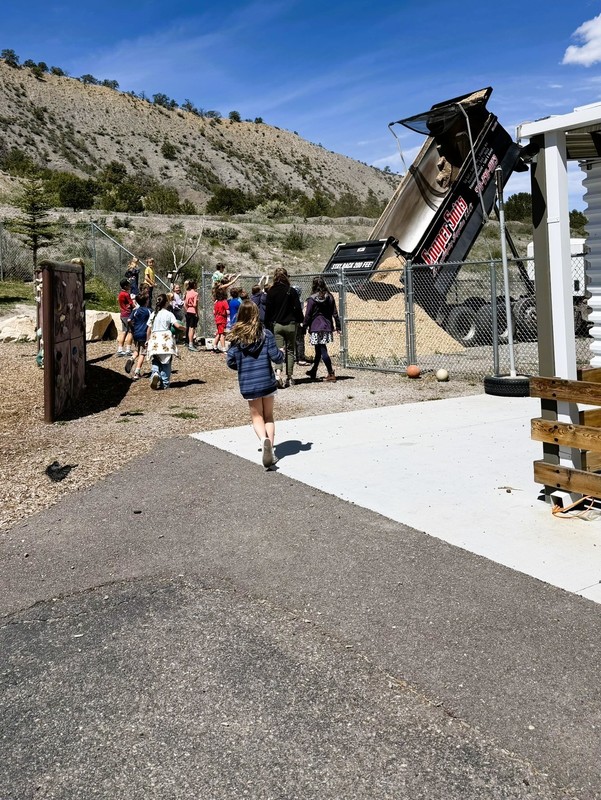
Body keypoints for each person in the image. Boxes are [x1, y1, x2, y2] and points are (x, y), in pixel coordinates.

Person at [226, 300, 285, 469]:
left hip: (248, 382)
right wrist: (281, 353)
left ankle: (263, 440)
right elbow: (276, 357)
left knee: (256, 416)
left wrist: (242, 366)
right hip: (266, 380)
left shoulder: (236, 338)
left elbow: (230, 361)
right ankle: (271, 451)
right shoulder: (266, 334)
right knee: (269, 416)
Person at [264, 267, 303, 388]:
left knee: (279, 350)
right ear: (286, 276)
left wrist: (267, 324)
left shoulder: (271, 292)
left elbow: (268, 311)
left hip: (277, 325)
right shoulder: (291, 291)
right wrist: (300, 320)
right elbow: (298, 308)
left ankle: (278, 374)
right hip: (291, 324)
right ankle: (289, 378)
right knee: (291, 351)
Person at [303, 276, 341, 382]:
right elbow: (335, 313)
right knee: (319, 350)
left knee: (322, 350)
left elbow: (308, 315)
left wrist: (304, 326)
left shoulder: (312, 299)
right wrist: (338, 326)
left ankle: (331, 373)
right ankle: (314, 370)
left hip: (316, 327)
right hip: (326, 326)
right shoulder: (330, 297)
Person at [146, 293, 185, 389]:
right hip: (166, 340)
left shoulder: (153, 314)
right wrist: (185, 329)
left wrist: (148, 340)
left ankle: (155, 372)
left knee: (156, 359)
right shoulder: (169, 314)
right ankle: (165, 382)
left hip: (155, 339)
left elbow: (148, 329)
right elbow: (177, 326)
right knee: (166, 362)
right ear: (166, 303)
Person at [125, 293, 151, 380]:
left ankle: (131, 358)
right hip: (144, 334)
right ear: (146, 301)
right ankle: (137, 372)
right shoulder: (149, 311)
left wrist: (132, 328)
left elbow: (129, 320)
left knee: (137, 350)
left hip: (136, 333)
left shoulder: (135, 310)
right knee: (143, 353)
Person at [116, 278, 134, 357]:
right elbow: (132, 304)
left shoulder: (120, 294)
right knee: (130, 332)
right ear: (125, 286)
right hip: (128, 314)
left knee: (124, 331)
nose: (130, 285)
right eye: (128, 284)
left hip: (122, 314)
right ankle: (128, 350)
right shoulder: (126, 294)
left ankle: (120, 349)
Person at [183, 280, 200, 351]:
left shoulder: (187, 293)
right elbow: (195, 305)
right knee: (192, 328)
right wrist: (196, 313)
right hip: (193, 311)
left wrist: (187, 310)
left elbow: (185, 304)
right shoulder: (195, 293)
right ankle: (190, 344)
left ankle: (189, 343)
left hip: (188, 311)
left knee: (189, 327)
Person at [213, 286, 229, 352]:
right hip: (222, 319)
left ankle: (214, 346)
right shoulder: (224, 302)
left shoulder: (216, 302)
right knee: (222, 334)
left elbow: (214, 312)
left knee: (219, 333)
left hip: (217, 318)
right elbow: (228, 311)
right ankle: (223, 348)